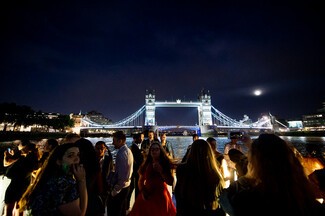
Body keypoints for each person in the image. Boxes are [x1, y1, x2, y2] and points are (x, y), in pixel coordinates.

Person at [219, 133, 325, 216]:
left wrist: (246, 178)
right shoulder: (310, 203)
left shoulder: (248, 201)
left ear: (254, 165)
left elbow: (224, 197)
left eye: (250, 160)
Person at [18, 143, 88, 216]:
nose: (77, 159)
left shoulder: (48, 177)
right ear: (59, 161)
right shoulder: (63, 183)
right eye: (70, 156)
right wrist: (82, 181)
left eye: (78, 155)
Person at [175, 139, 225, 216]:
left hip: (187, 210)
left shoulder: (182, 169)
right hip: (207, 211)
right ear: (209, 153)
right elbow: (218, 198)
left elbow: (178, 193)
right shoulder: (213, 173)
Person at [129, 142, 176, 216]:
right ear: (150, 152)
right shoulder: (146, 164)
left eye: (157, 149)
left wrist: (161, 171)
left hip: (161, 195)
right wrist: (143, 192)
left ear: (160, 151)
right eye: (152, 150)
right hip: (148, 194)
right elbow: (140, 181)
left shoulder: (165, 163)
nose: (154, 151)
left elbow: (170, 182)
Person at [3, 140, 39, 216]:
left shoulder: (24, 160)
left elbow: (7, 167)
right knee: (19, 209)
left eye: (19, 146)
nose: (18, 149)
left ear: (25, 147)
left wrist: (6, 156)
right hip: (24, 187)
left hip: (15, 187)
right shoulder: (32, 158)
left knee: (9, 210)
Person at [107, 131, 133, 216]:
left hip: (121, 188)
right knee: (122, 211)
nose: (113, 143)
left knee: (116, 212)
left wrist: (115, 191)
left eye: (114, 140)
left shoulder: (122, 154)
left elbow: (123, 176)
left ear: (120, 141)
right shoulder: (128, 150)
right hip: (126, 186)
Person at [76, 138, 104, 216]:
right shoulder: (95, 164)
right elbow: (100, 188)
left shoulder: (75, 167)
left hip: (80, 204)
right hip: (93, 203)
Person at [126, 133, 144, 212]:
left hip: (136, 172)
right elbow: (136, 161)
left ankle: (133, 205)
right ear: (135, 139)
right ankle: (130, 206)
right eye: (140, 138)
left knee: (135, 189)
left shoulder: (135, 147)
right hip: (135, 172)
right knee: (134, 189)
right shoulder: (133, 147)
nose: (142, 139)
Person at [95, 140, 114, 213]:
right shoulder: (91, 160)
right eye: (97, 148)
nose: (100, 150)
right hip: (94, 188)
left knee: (103, 208)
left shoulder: (108, 160)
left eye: (102, 148)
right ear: (95, 149)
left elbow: (111, 172)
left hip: (105, 187)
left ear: (105, 149)